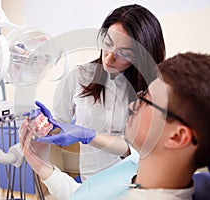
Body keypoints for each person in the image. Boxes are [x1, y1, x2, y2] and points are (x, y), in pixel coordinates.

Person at [19, 52, 210, 200]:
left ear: (177, 137)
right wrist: (40, 164)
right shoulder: (138, 165)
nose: (134, 103)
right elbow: (87, 195)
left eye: (146, 98)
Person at [29, 4, 166, 181]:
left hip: (136, 179)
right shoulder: (79, 77)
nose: (108, 58)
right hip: (91, 179)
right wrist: (43, 125)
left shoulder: (151, 89)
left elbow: (139, 148)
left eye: (124, 53)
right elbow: (60, 126)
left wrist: (89, 135)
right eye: (108, 43)